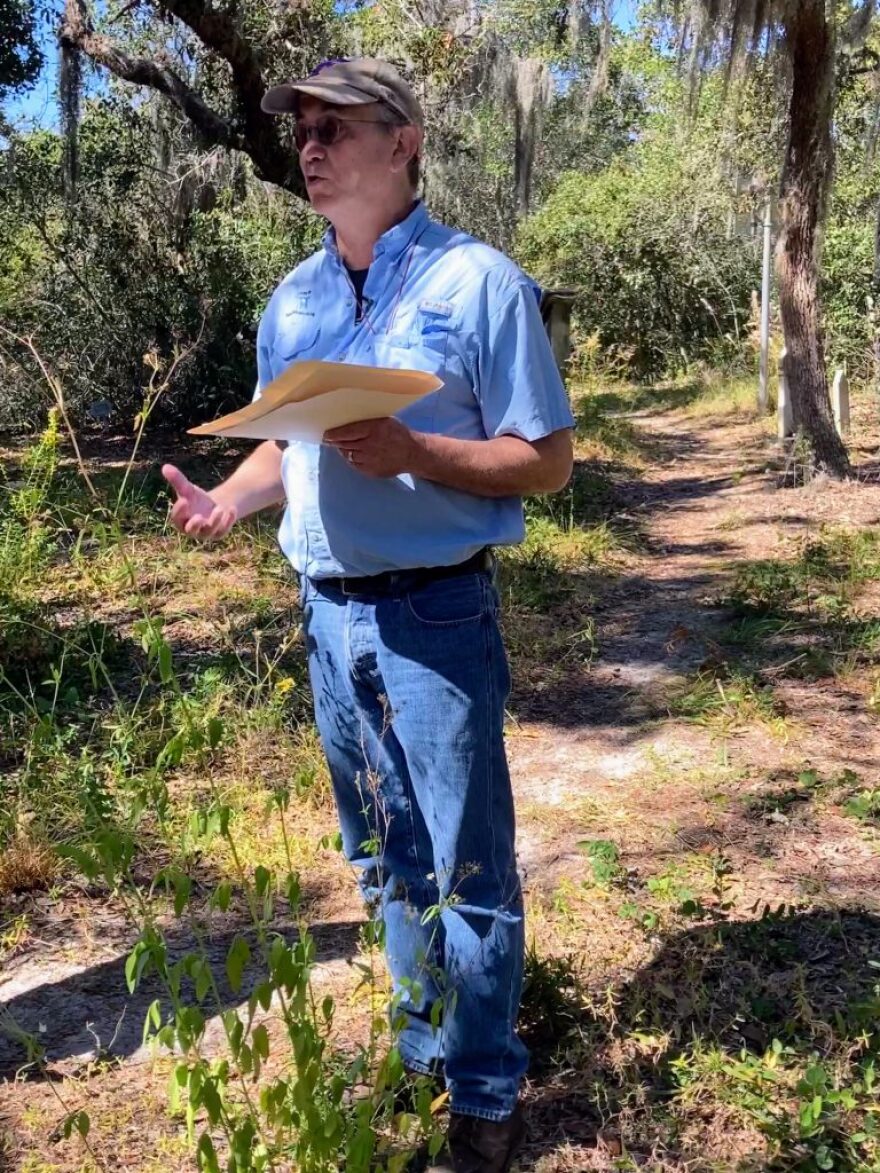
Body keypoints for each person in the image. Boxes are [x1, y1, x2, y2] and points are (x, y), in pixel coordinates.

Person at [162, 57, 574, 1173]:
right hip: (327, 620)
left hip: (436, 618)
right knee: (381, 862)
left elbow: (544, 464)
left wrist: (415, 451)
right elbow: (285, 449)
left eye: (337, 122)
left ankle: (487, 1095)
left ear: (404, 142)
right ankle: (421, 1052)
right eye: (303, 124)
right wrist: (230, 502)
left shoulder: (479, 283)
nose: (311, 140)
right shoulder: (292, 299)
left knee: (465, 867)